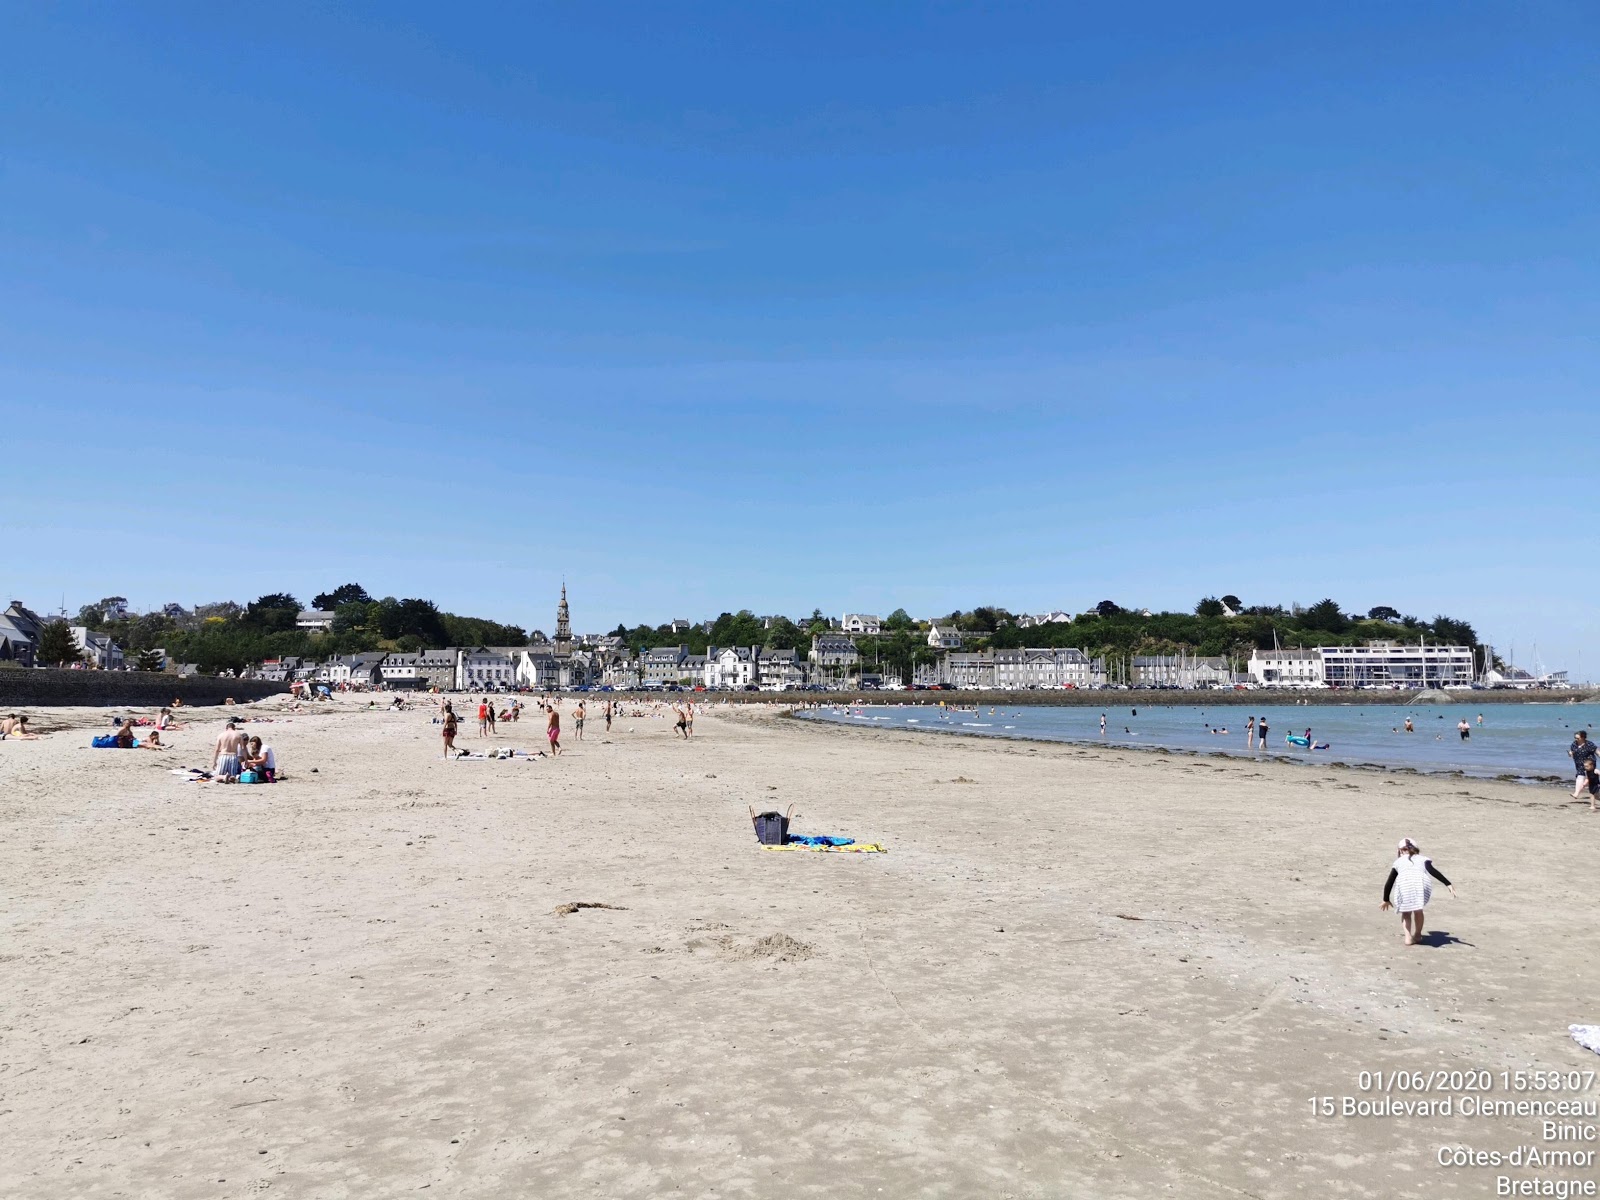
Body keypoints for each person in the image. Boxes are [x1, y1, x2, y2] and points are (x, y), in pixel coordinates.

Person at [1381, 837, 1456, 946]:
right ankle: (1417, 935)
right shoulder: (1423, 859)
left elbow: (1389, 882)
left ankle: (1408, 937)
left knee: (1406, 912)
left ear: (1400, 850)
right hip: (1421, 883)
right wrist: (1448, 883)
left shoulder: (1398, 862)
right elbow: (1432, 871)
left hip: (1404, 883)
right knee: (1418, 909)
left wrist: (1386, 899)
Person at [1570, 731, 1598, 809]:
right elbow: (1572, 752)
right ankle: (1577, 793)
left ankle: (1577, 793)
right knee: (1580, 776)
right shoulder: (1574, 744)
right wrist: (1570, 754)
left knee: (1589, 779)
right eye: (1575, 737)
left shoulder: (1589, 744)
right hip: (1578, 763)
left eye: (1577, 738)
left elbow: (1597, 752)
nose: (1575, 739)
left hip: (1589, 764)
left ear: (1583, 737)